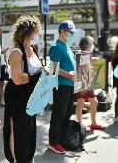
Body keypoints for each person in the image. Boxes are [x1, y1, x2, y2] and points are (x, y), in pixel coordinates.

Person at [3, 15, 42, 163]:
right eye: (35, 31)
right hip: (17, 95)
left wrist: (43, 72)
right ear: (28, 32)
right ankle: (17, 159)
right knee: (18, 129)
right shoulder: (16, 52)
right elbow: (18, 78)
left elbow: (35, 70)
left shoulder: (33, 48)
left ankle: (27, 158)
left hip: (30, 94)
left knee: (30, 129)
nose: (37, 35)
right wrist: (36, 77)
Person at [48, 20, 77, 154]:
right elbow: (54, 67)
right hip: (61, 85)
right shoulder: (57, 46)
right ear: (63, 31)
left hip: (70, 85)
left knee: (68, 112)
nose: (71, 35)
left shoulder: (67, 46)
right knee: (59, 114)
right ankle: (53, 142)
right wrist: (68, 74)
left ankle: (61, 138)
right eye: (70, 32)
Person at [75, 36, 106, 130]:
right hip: (83, 83)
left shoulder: (84, 54)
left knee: (93, 102)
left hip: (86, 83)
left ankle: (92, 123)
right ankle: (80, 125)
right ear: (87, 45)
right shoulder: (83, 55)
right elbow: (82, 70)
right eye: (92, 43)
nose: (93, 45)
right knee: (81, 102)